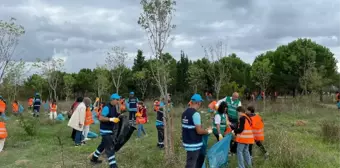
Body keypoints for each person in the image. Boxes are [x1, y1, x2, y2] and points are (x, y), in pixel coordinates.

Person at [90, 93, 121, 168]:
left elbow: (117, 115)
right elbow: (101, 118)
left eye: (118, 100)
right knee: (110, 148)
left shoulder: (114, 107)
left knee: (102, 145)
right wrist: (111, 119)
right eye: (117, 100)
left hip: (110, 130)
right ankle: (113, 165)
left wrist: (119, 111)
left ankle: (94, 158)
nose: (118, 101)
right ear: (112, 99)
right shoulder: (107, 107)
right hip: (105, 130)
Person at [182, 94, 212, 168]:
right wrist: (207, 131)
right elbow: (199, 131)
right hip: (194, 144)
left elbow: (189, 127)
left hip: (187, 142)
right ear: (198, 103)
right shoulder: (195, 114)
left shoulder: (184, 113)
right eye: (200, 102)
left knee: (190, 162)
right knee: (192, 164)